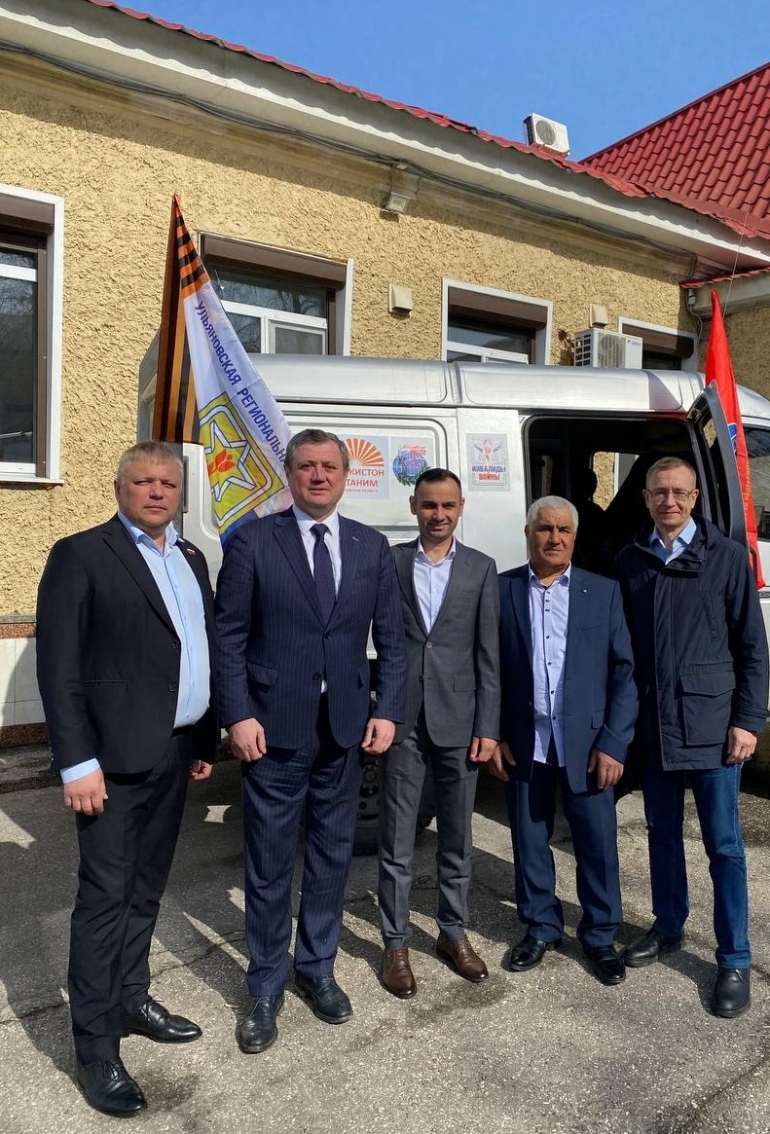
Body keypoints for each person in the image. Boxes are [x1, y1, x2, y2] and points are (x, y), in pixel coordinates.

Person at [36, 441, 217, 1118]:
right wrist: (76, 761)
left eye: (168, 482)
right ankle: (96, 1046)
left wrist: (203, 738)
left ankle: (131, 1000)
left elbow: (194, 649)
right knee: (104, 901)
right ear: (119, 488)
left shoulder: (190, 558)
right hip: (109, 763)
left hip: (175, 751)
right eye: (144, 481)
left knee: (147, 890)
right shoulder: (81, 555)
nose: (157, 492)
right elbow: (59, 667)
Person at [215, 428, 406, 1054]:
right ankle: (265, 984)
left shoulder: (371, 546)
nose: (318, 476)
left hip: (345, 728)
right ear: (291, 475)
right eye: (306, 466)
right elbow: (229, 637)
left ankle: (317, 968)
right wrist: (237, 715)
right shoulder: (253, 541)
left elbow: (392, 640)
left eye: (329, 466)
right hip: (272, 729)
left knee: (331, 855)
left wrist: (388, 710)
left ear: (345, 476)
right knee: (270, 862)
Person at [613, 456, 769, 1018]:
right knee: (661, 835)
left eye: (680, 492)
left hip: (713, 729)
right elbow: (623, 650)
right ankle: (669, 924)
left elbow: (752, 648)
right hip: (654, 730)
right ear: (646, 498)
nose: (670, 501)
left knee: (724, 847)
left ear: (696, 497)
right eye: (660, 492)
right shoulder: (630, 561)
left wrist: (748, 721)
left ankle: (734, 959)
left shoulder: (726, 558)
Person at [491, 496, 637, 986]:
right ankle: (541, 926)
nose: (554, 538)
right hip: (524, 741)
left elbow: (624, 672)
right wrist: (493, 733)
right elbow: (486, 668)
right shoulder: (502, 590)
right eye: (545, 529)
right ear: (528, 533)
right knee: (529, 839)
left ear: (575, 536)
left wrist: (614, 742)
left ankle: (600, 936)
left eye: (564, 530)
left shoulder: (603, 592)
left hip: (590, 744)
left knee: (597, 843)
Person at [377, 469, 500, 997]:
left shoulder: (480, 568)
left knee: (457, 836)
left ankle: (453, 932)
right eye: (429, 505)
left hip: (460, 720)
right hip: (402, 719)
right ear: (414, 506)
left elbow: (489, 654)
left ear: (461, 507)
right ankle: (395, 943)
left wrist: (488, 726)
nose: (439, 514)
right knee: (397, 839)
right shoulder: (390, 562)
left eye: (448, 505)